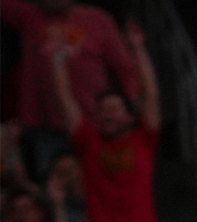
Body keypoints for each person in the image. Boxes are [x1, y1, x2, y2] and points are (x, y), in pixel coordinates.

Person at [52, 19, 162, 222]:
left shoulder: (143, 139)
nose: (107, 114)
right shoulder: (89, 141)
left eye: (114, 108)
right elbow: (66, 102)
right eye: (102, 110)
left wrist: (138, 50)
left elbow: (151, 95)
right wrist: (58, 61)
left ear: (128, 115)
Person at [0, 0, 139, 131]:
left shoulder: (98, 19)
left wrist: (130, 111)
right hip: (43, 127)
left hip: (93, 125)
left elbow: (125, 69)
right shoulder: (28, 15)